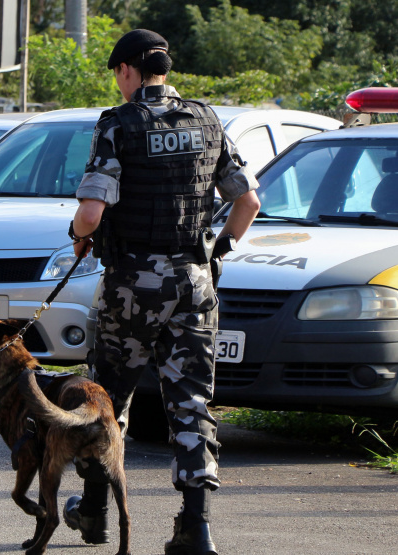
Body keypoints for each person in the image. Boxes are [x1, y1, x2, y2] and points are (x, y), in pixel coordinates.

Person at [64, 29, 261, 555]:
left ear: (126, 70)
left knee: (105, 399)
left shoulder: (118, 123)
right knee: (192, 401)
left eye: (117, 74)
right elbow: (248, 203)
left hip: (132, 285)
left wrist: (79, 236)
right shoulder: (207, 120)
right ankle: (196, 526)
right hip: (193, 284)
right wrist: (217, 250)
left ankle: (95, 512)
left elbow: (90, 214)